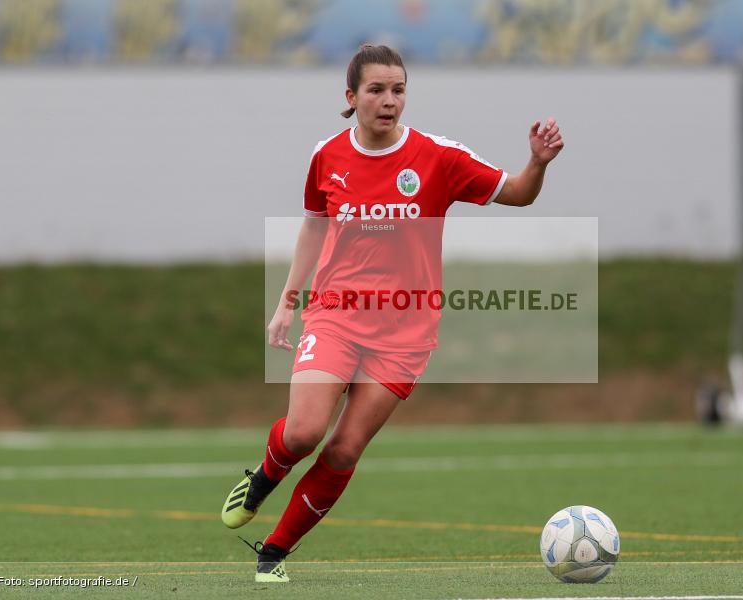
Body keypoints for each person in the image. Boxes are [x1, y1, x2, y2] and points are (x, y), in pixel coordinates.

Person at [221, 43, 564, 583]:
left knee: (345, 447)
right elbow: (314, 223)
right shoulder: (327, 156)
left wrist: (537, 164)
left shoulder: (439, 157)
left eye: (398, 90)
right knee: (306, 431)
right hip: (336, 313)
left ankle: (273, 553)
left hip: (405, 331)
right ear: (351, 96)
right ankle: (264, 477)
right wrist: (288, 302)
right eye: (376, 90)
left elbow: (519, 194)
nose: (388, 101)